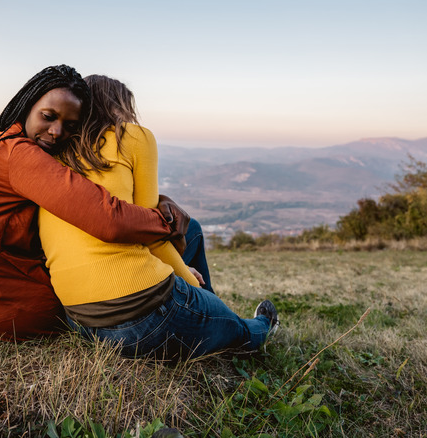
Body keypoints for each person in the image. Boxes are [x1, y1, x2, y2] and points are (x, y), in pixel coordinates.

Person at [0, 65, 189, 341]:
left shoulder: (5, 143)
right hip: (11, 314)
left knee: (192, 231)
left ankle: (194, 297)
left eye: (70, 126)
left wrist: (161, 203)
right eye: (48, 116)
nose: (56, 132)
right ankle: (198, 304)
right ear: (28, 104)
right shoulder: (19, 155)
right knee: (190, 232)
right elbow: (108, 218)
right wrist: (167, 221)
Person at [38, 75, 279, 361]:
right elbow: (150, 234)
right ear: (120, 106)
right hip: (142, 320)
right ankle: (256, 327)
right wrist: (187, 278)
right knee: (241, 332)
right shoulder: (132, 136)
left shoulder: (55, 151)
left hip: (81, 321)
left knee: (192, 230)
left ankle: (211, 307)